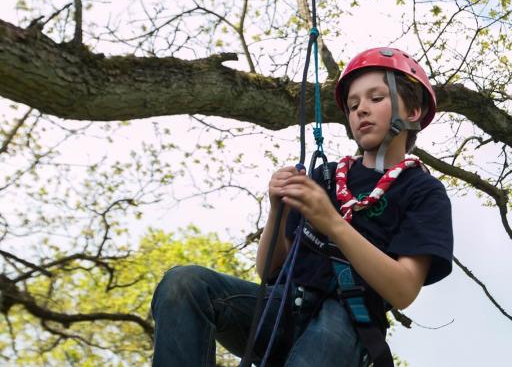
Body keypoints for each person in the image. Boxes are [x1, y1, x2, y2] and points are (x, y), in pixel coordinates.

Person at [150, 47, 454, 367]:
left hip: (347, 318)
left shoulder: (422, 191)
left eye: (376, 99)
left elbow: (404, 289)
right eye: (353, 105)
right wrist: (277, 211)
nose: (361, 110)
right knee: (183, 285)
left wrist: (333, 223)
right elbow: (270, 269)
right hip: (282, 305)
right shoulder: (326, 177)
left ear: (413, 112)